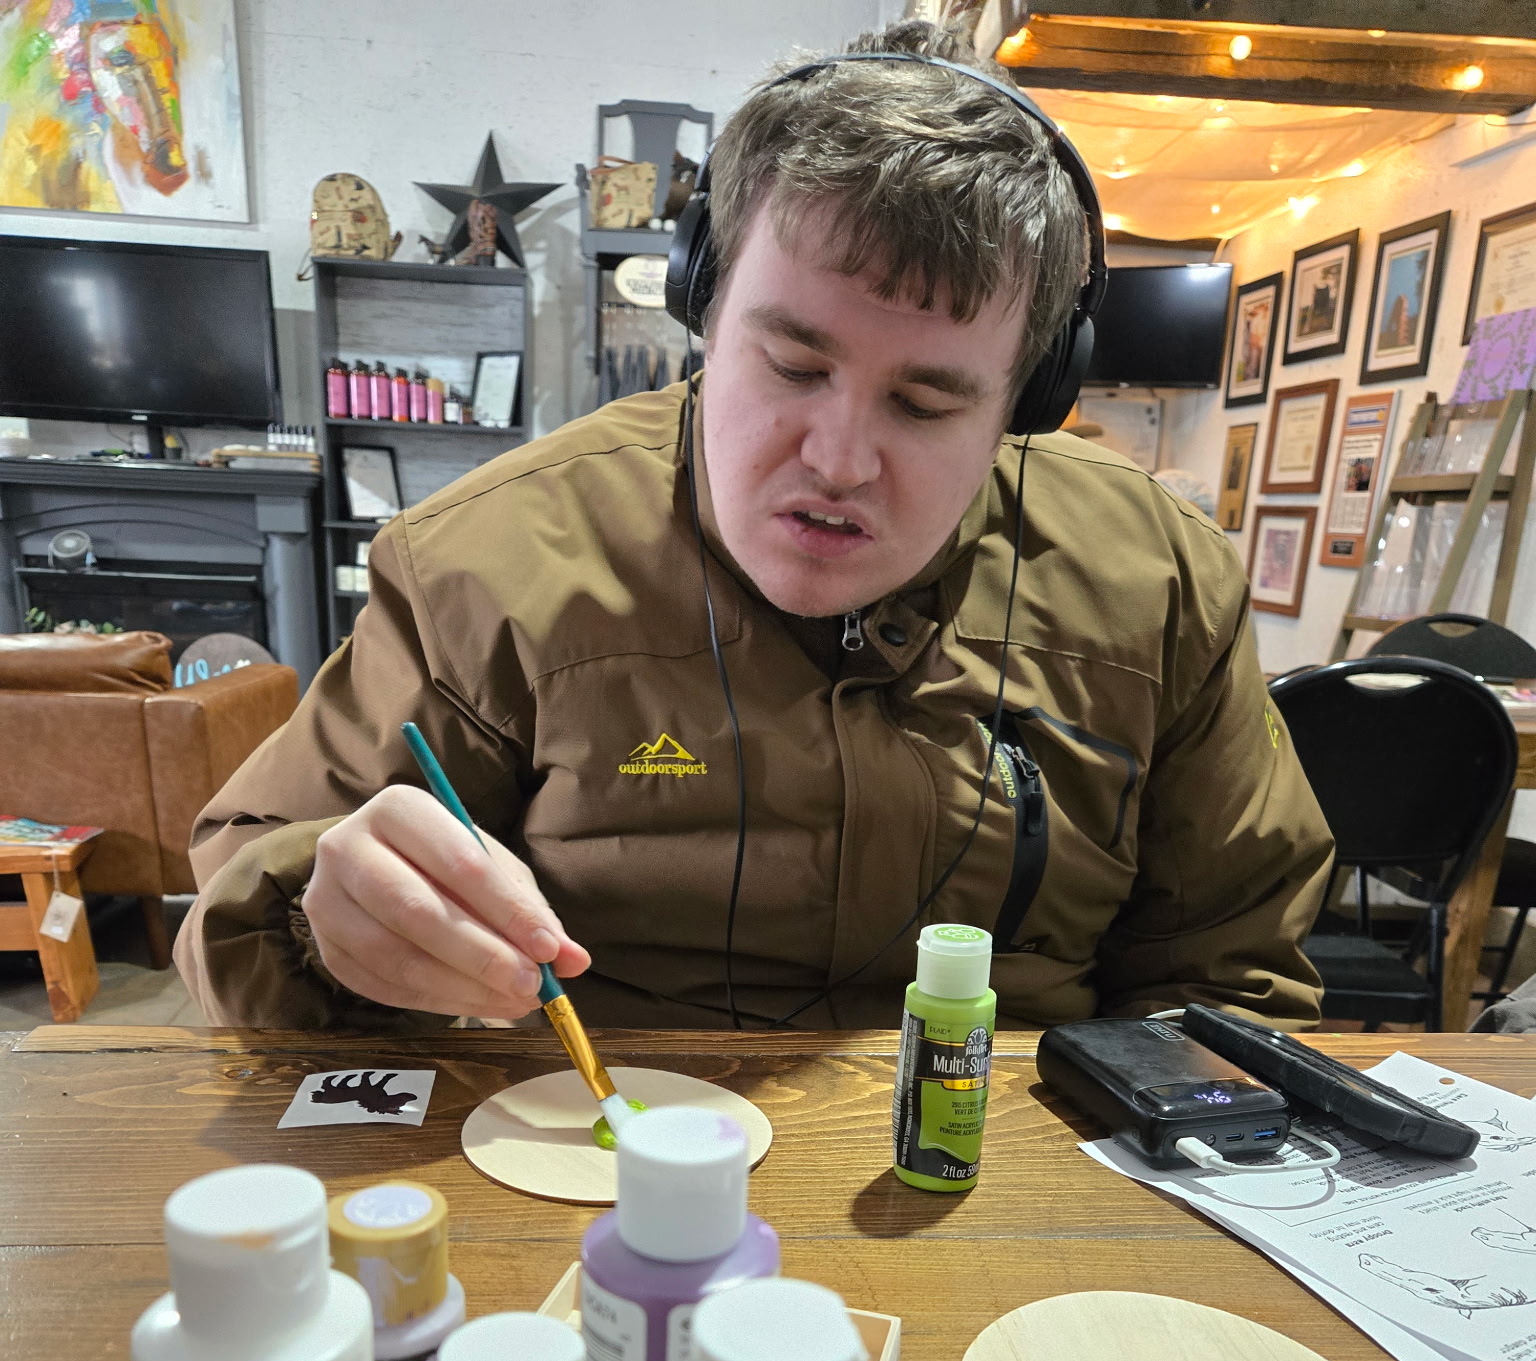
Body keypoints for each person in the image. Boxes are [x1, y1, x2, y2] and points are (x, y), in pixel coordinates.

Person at [175, 19, 1332, 1034]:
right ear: (704, 307)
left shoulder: (1164, 585)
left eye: (926, 403)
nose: (838, 459)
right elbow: (239, 911)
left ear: (1028, 402)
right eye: (792, 364)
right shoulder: (477, 568)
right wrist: (317, 917)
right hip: (591, 1163)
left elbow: (1232, 976)